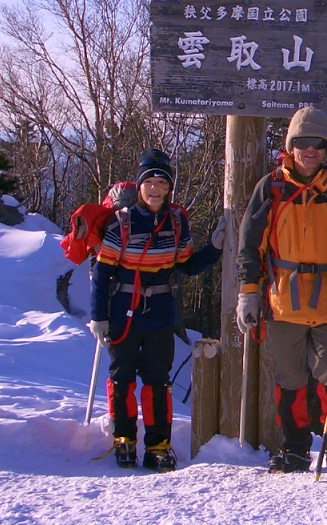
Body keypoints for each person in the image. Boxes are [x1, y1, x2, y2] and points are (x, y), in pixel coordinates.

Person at [235, 107, 327, 475]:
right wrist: (248, 293)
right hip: (283, 301)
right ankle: (295, 448)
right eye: (301, 142)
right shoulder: (271, 187)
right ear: (290, 145)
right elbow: (250, 245)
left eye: (317, 143)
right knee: (289, 380)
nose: (309, 150)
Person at [88, 148, 226, 472]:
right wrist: (99, 316)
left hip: (161, 312)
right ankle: (124, 440)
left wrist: (215, 247)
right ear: (139, 186)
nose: (155, 188)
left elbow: (188, 265)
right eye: (149, 181)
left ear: (168, 188)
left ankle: (158, 446)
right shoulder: (122, 223)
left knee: (157, 380)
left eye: (161, 183)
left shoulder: (176, 223)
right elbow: (102, 272)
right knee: (121, 378)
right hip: (123, 310)